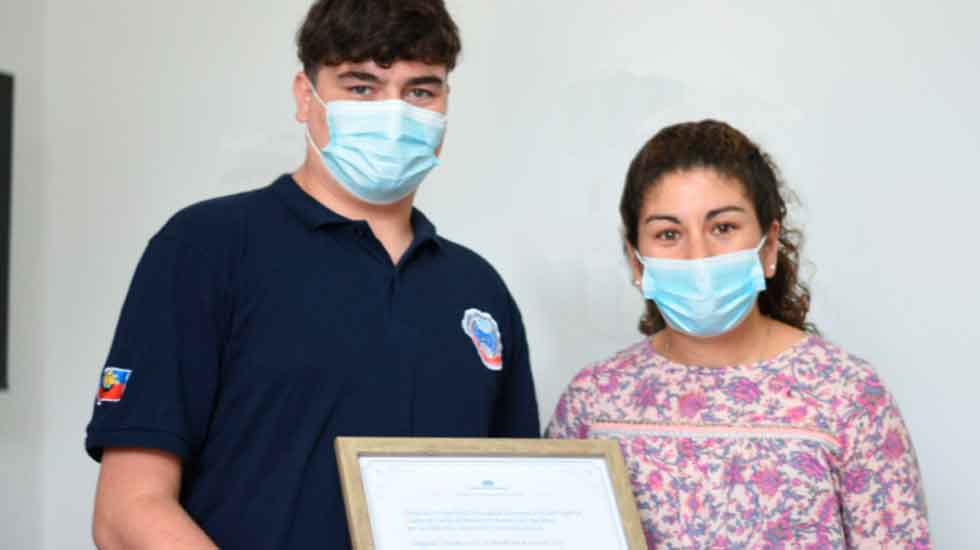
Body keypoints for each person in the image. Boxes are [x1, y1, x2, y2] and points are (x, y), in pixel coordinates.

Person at [85, 1, 539, 548]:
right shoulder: (207, 247)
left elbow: (516, 507)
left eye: (420, 91)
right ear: (306, 95)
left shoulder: (478, 289)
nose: (394, 113)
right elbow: (129, 509)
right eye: (361, 87)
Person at [546, 120, 930, 548]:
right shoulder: (593, 403)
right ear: (637, 262)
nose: (699, 255)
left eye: (723, 228)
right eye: (668, 234)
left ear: (768, 246)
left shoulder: (848, 395)